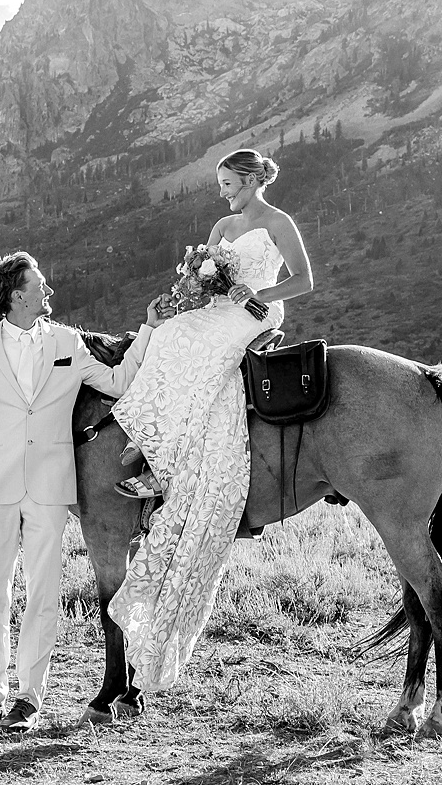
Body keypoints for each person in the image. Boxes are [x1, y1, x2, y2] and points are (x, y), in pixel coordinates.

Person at [106, 148, 315, 691]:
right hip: (220, 308)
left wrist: (255, 293)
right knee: (171, 335)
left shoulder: (278, 222)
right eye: (220, 183)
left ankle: (165, 455)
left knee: (196, 351)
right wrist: (187, 295)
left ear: (250, 180)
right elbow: (206, 281)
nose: (222, 191)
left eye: (228, 182)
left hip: (257, 311)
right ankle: (155, 447)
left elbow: (304, 281)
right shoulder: (223, 224)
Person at [0, 250, 146, 734]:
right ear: (18, 295)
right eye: (40, 284)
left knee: (43, 594)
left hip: (48, 486)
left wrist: (148, 329)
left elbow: (118, 380)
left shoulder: (67, 341)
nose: (48, 291)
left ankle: (29, 699)